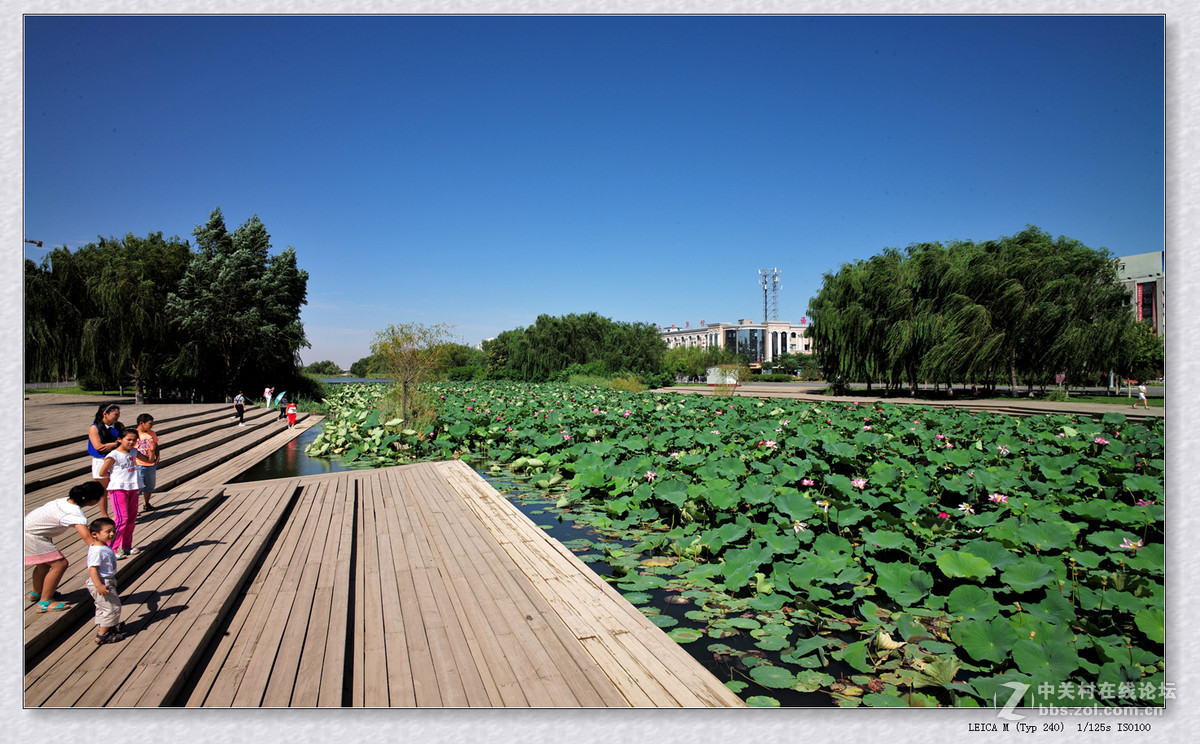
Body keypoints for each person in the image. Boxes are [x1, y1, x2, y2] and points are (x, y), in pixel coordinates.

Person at [24, 481, 104, 612]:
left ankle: (36, 593)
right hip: (32, 536)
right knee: (60, 564)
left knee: (44, 564)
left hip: (28, 530)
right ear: (93, 501)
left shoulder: (63, 501)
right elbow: (87, 537)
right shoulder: (74, 514)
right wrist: (101, 550)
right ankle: (45, 601)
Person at [98, 428, 143, 559]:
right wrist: (116, 478)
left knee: (131, 519)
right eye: (128, 439)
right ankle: (112, 548)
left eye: (134, 440)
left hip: (133, 486)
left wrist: (153, 449)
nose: (131, 442)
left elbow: (148, 460)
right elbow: (102, 472)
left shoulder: (134, 452)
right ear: (119, 439)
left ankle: (127, 546)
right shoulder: (114, 455)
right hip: (119, 488)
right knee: (121, 519)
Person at [85, 517, 126, 645]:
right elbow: (93, 570)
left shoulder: (101, 546)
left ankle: (110, 626)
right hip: (102, 582)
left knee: (103, 606)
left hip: (106, 580)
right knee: (112, 607)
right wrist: (99, 585)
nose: (112, 534)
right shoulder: (97, 551)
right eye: (108, 532)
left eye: (113, 531)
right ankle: (102, 635)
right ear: (95, 535)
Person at [87, 403, 122, 519]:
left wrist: (113, 444)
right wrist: (117, 444)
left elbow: (125, 440)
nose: (117, 417)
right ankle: (104, 515)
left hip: (116, 459)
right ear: (105, 414)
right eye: (115, 414)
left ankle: (120, 512)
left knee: (118, 487)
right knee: (103, 490)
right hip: (101, 460)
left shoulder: (119, 426)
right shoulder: (95, 427)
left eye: (118, 414)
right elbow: (99, 447)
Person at [134, 413, 159, 512]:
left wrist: (158, 455)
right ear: (141, 423)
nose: (151, 426)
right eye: (149, 423)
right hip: (139, 464)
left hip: (151, 464)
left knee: (149, 485)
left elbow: (156, 445)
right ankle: (134, 508)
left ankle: (146, 503)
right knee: (137, 488)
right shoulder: (134, 435)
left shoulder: (152, 433)